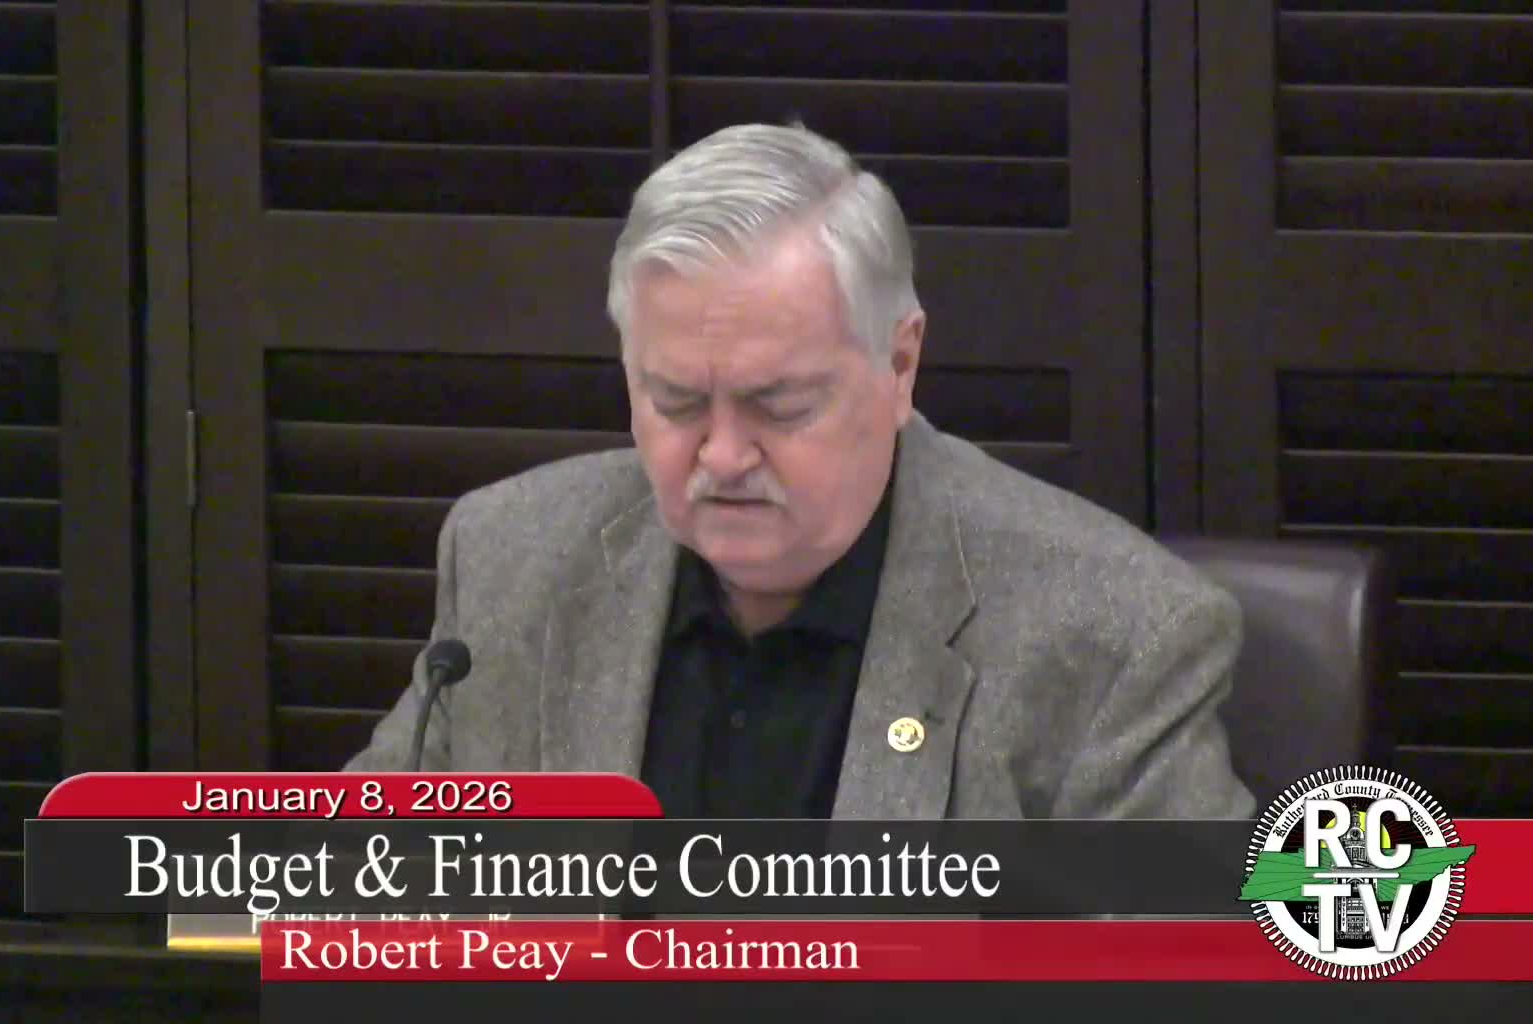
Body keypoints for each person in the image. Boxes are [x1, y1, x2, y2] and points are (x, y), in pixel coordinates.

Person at [347, 123, 1255, 819]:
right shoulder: (511, 559)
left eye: (779, 406)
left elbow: (1202, 968)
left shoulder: (1112, 634)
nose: (723, 456)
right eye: (676, 402)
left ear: (899, 365)